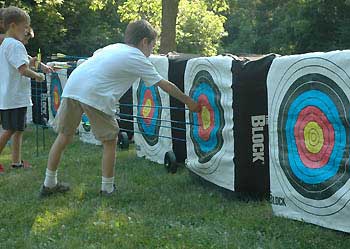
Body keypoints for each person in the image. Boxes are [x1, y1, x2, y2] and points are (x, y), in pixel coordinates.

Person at [39, 19, 201, 197]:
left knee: (64, 136)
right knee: (110, 141)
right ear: (144, 42)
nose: (151, 52)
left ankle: (49, 184)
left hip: (73, 87)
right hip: (94, 93)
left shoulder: (113, 47)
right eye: (152, 47)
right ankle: (107, 188)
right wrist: (189, 102)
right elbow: (164, 85)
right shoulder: (138, 56)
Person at [0, 6, 45, 173]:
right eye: (25, 26)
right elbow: (22, 70)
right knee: (10, 129)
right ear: (13, 25)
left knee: (18, 129)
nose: (27, 30)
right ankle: (14, 161)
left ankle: (16, 162)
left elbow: (19, 65)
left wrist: (31, 64)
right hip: (15, 96)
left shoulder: (6, 43)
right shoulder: (16, 45)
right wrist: (38, 76)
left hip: (10, 96)